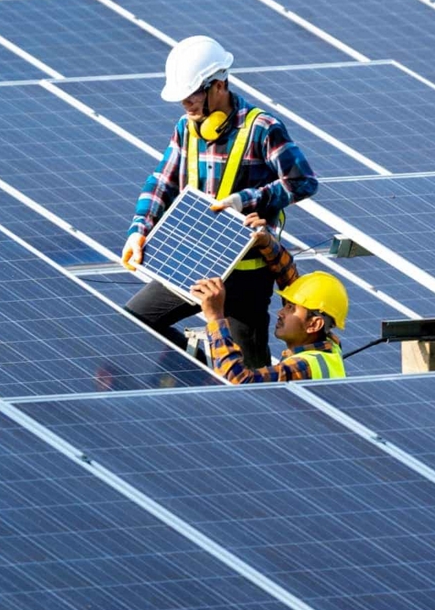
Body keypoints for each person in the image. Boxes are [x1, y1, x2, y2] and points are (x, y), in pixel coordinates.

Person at [122, 36, 318, 367]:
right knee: (132, 322)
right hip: (192, 264)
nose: (186, 102)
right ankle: (194, 362)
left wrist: (247, 200)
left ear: (219, 85)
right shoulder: (186, 128)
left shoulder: (262, 128)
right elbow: (162, 182)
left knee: (248, 376)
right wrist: (139, 229)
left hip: (246, 276)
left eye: (193, 93)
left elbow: (303, 182)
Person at [190, 217, 349, 383]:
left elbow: (238, 381)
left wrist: (215, 317)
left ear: (315, 324)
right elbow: (291, 281)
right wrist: (266, 242)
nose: (280, 312)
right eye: (286, 305)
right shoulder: (329, 347)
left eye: (291, 308)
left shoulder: (303, 366)